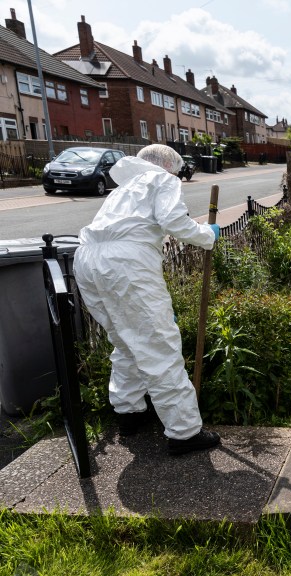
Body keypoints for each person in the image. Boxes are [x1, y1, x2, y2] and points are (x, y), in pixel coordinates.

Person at [74, 144, 222, 456]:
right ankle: (184, 433)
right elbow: (173, 220)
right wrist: (207, 234)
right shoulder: (163, 180)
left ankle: (128, 414)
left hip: (87, 259)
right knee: (158, 346)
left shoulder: (123, 188)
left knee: (126, 342)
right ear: (168, 166)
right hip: (125, 263)